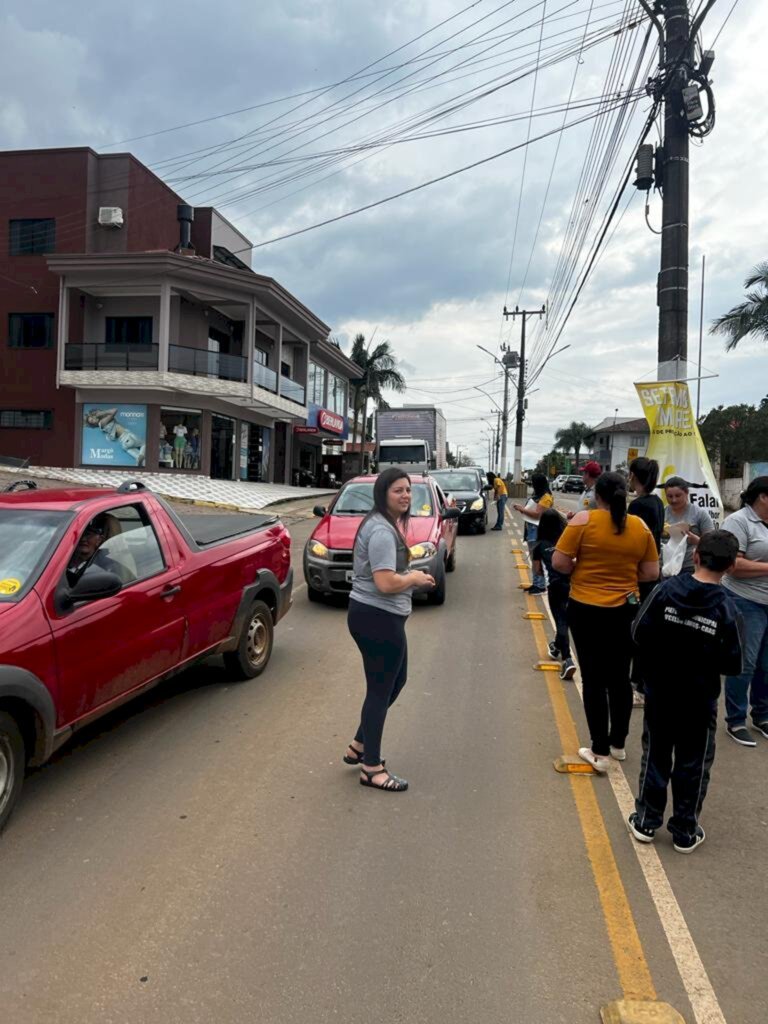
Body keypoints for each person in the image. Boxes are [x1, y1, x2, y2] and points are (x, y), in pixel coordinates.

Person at [628, 531, 742, 853]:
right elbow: (734, 663)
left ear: (695, 557)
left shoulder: (665, 590)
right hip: (699, 700)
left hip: (661, 692)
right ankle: (684, 830)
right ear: (731, 567)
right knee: (693, 763)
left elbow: (638, 631)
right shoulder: (727, 609)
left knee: (656, 756)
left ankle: (647, 821)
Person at [553, 472, 659, 772]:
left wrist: (582, 571)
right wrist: (622, 576)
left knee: (594, 679)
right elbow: (651, 573)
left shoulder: (582, 521)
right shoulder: (639, 527)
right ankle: (619, 744)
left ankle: (598, 750)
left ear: (596, 494)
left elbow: (559, 563)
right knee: (619, 678)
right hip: (625, 610)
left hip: (585, 609)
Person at [345, 468, 436, 792]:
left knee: (396, 681)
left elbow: (386, 573)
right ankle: (372, 767)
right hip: (377, 616)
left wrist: (412, 575)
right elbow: (385, 583)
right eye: (398, 490)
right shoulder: (382, 531)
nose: (406, 496)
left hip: (378, 615)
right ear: (383, 493)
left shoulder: (383, 524)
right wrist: (413, 578)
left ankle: (359, 744)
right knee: (381, 689)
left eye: (408, 490)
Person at [720, 476, 768, 746]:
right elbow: (732, 565)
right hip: (744, 600)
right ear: (763, 496)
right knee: (745, 663)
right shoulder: (738, 521)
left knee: (767, 664)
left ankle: (762, 715)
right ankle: (736, 720)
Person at [627, 457, 664, 706]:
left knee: (635, 631)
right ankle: (638, 682)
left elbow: (632, 542)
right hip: (652, 573)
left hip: (638, 577)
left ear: (636, 476)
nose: (628, 478)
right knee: (643, 629)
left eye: (630, 474)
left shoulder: (640, 506)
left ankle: (637, 685)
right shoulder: (656, 502)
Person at [531, 509, 576, 680]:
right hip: (572, 585)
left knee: (561, 621)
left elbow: (537, 570)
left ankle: (568, 659)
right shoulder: (566, 539)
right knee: (566, 619)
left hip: (555, 586)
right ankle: (556, 647)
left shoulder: (540, 545)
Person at [512, 473, 554, 595]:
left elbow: (537, 514)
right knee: (534, 558)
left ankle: (541, 586)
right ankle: (536, 583)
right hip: (531, 529)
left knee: (537, 558)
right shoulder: (538, 496)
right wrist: (523, 510)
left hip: (539, 530)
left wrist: (522, 509)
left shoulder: (546, 497)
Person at [663, 476, 713, 575]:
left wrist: (698, 541)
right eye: (670, 496)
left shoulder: (699, 514)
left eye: (678, 496)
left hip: (690, 566)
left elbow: (712, 543)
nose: (674, 500)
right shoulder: (661, 513)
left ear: (686, 493)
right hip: (666, 566)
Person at [67, 513, 133, 584]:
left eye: (88, 535)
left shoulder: (106, 567)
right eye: (80, 535)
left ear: (99, 540)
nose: (83, 539)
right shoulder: (64, 560)